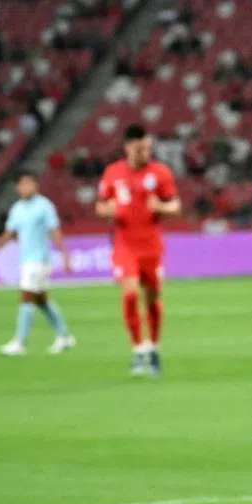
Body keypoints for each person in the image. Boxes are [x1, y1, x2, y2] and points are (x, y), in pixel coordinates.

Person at [96, 124, 181, 376]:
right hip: (125, 246)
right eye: (139, 148)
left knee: (153, 298)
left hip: (152, 246)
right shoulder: (113, 173)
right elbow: (100, 206)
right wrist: (112, 209)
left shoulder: (160, 172)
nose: (144, 152)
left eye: (147, 148)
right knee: (130, 294)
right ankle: (137, 349)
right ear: (127, 148)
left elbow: (175, 205)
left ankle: (154, 346)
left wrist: (161, 208)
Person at [0, 171, 75, 356]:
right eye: (23, 184)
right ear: (17, 188)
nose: (27, 187)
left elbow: (55, 231)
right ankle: (65, 336)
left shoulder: (44, 206)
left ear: (37, 185)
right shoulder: (17, 209)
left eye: (31, 183)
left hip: (39, 260)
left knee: (26, 296)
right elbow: (9, 232)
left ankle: (20, 342)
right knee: (42, 301)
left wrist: (65, 255)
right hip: (26, 259)